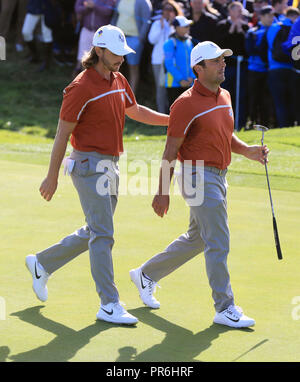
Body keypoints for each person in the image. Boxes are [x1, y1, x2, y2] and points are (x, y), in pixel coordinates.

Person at [25, 24, 169, 325]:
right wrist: (51, 176)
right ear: (99, 51)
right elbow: (61, 134)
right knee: (103, 234)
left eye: (123, 53)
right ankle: (109, 303)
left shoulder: (118, 79)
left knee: (95, 229)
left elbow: (136, 110)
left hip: (111, 164)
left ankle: (42, 263)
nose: (121, 59)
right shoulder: (81, 87)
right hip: (88, 165)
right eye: (115, 53)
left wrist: (172, 121)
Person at [129, 41, 269, 328]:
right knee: (218, 240)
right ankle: (225, 307)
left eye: (223, 59)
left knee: (199, 238)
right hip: (196, 175)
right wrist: (162, 192)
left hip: (218, 176)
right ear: (198, 68)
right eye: (216, 61)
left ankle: (146, 274)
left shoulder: (226, 96)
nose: (223, 64)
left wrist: (249, 151)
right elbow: (169, 151)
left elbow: (225, 135)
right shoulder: (185, 104)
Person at [216, 1, 249, 130]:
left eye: (241, 11)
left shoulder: (246, 27)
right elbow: (220, 44)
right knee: (225, 95)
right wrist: (231, 29)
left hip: (241, 67)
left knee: (241, 95)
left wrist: (240, 29)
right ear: (230, 11)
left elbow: (246, 46)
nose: (240, 13)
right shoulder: (222, 25)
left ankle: (240, 123)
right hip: (226, 67)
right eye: (237, 10)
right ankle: (225, 123)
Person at [267, 6, 300, 127]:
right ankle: (291, 126)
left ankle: (283, 126)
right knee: (291, 101)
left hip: (275, 68)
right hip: (291, 68)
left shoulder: (275, 27)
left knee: (280, 103)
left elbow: (269, 46)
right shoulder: (294, 25)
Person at [148, 0, 182, 113]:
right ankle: (161, 114)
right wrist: (162, 28)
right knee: (160, 88)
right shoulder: (157, 24)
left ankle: (173, 113)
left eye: (170, 9)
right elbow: (151, 40)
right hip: (158, 61)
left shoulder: (178, 26)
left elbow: (176, 42)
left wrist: (172, 26)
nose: (167, 12)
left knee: (173, 87)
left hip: (174, 61)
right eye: (165, 9)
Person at [111, 0, 153, 93]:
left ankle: (130, 96)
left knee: (133, 68)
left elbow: (147, 21)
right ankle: (115, 92)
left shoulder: (143, 2)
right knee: (115, 66)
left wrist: (140, 39)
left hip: (134, 39)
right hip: (118, 38)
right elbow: (115, 16)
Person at [245, 5, 275, 128]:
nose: (271, 18)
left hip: (270, 71)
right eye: (268, 16)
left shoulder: (276, 29)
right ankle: (252, 121)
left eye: (273, 16)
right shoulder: (253, 31)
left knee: (267, 99)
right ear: (261, 16)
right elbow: (250, 50)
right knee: (254, 98)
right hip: (255, 70)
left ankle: (266, 123)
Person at [73, 0, 116, 77]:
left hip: (101, 33)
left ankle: (99, 81)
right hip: (87, 29)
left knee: (100, 58)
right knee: (84, 56)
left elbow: (108, 11)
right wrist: (87, 7)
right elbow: (77, 8)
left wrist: (94, 6)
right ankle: (85, 79)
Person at [163, 15, 196, 108]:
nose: (188, 28)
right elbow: (169, 64)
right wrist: (180, 79)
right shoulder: (169, 43)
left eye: (188, 26)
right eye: (185, 26)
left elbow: (193, 61)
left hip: (189, 83)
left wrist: (192, 77)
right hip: (173, 84)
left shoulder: (189, 42)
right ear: (177, 28)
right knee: (174, 112)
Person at [22, 0, 54, 71]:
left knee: (47, 35)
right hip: (34, 6)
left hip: (47, 7)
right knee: (26, 32)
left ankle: (47, 62)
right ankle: (35, 56)